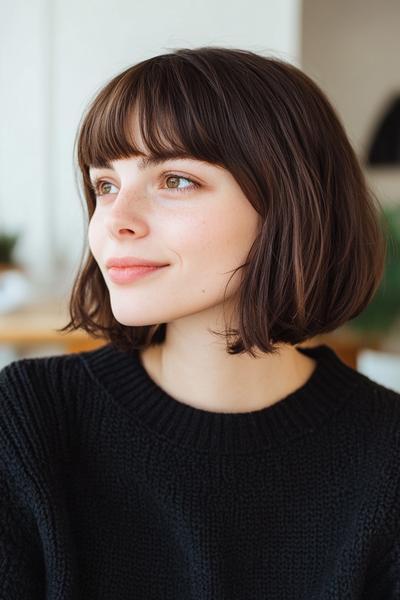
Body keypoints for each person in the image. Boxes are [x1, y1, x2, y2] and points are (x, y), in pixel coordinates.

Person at [0, 46, 399, 599]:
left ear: (291, 203)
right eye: (105, 185)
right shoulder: (24, 421)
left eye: (176, 181)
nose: (114, 220)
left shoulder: (386, 457)